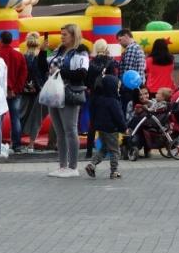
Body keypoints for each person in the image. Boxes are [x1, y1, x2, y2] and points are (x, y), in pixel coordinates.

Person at [47, 24, 90, 178]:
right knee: (59, 131)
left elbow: (82, 73)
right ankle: (63, 165)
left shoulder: (81, 51)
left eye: (65, 34)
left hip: (69, 92)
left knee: (70, 130)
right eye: (62, 34)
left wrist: (60, 72)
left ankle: (73, 167)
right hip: (55, 92)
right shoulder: (59, 50)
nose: (62, 37)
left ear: (73, 35)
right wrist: (42, 53)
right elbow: (45, 66)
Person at [85, 74, 127, 179]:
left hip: (101, 129)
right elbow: (119, 117)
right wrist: (124, 128)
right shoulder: (113, 102)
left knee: (103, 149)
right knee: (115, 150)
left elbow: (94, 115)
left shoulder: (98, 99)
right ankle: (114, 171)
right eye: (117, 87)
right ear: (112, 87)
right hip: (111, 129)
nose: (118, 90)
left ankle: (92, 164)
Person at [85, 39, 119, 158]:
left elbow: (87, 81)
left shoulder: (91, 63)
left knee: (93, 124)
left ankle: (89, 151)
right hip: (107, 96)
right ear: (106, 48)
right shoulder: (110, 61)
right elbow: (113, 80)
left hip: (94, 96)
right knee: (108, 123)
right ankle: (109, 150)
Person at [0, 31, 27, 153]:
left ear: (0, 40)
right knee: (15, 118)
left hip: (0, 92)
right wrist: (15, 89)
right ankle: (17, 144)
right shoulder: (18, 55)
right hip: (15, 92)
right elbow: (23, 74)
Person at [20, 32, 48, 152]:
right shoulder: (41, 57)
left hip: (25, 90)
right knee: (36, 118)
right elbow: (45, 71)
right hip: (39, 90)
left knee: (20, 116)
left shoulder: (23, 56)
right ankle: (31, 144)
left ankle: (15, 143)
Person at [118, 29, 146, 110]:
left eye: (120, 40)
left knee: (128, 109)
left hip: (129, 87)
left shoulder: (131, 49)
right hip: (138, 84)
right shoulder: (138, 47)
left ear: (126, 36)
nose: (119, 43)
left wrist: (121, 86)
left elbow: (128, 71)